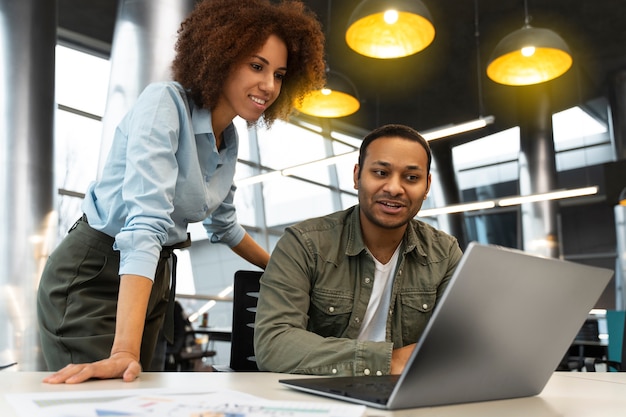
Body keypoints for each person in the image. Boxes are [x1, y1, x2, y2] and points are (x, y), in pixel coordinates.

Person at [37, 0, 325, 384]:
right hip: (96, 274)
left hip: (150, 283)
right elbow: (146, 224)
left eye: (279, 74)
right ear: (221, 55)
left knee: (140, 402)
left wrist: (285, 271)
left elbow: (224, 226)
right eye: (257, 66)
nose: (269, 85)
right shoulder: (165, 102)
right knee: (103, 400)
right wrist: (125, 348)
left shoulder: (230, 140)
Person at [254, 124, 463, 376]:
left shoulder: (445, 253)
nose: (395, 188)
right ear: (357, 176)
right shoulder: (304, 244)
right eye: (380, 172)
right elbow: (273, 344)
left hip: (406, 397)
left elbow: (460, 342)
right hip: (320, 396)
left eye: (411, 178)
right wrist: (387, 361)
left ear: (427, 185)